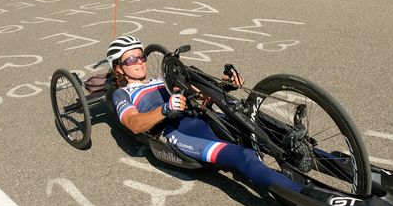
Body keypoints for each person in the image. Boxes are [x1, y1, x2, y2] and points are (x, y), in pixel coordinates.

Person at [107, 35, 302, 193]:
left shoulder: (160, 79)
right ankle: (308, 196)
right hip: (179, 133)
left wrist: (226, 84)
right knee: (243, 156)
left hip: (206, 117)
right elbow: (133, 123)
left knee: (276, 136)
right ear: (118, 67)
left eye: (141, 57)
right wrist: (165, 109)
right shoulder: (122, 93)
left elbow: (199, 91)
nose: (139, 63)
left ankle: (331, 162)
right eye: (131, 59)